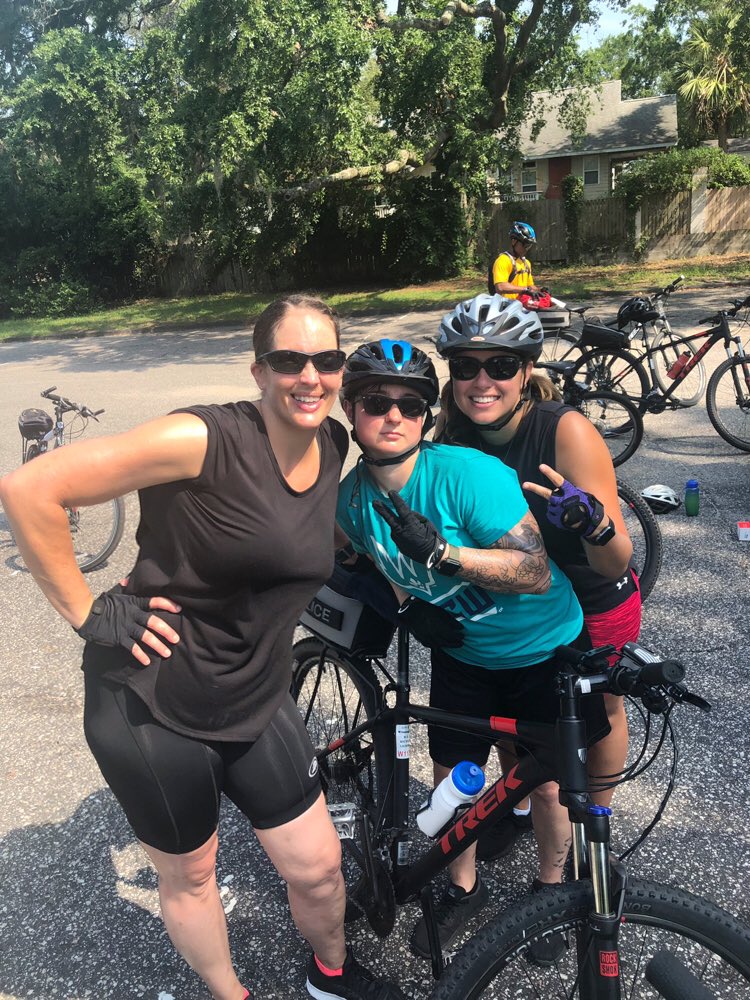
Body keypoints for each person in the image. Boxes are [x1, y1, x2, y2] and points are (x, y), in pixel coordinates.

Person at [0, 296, 406, 1000]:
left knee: (316, 866)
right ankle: (230, 994)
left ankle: (330, 978)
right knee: (191, 874)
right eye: (289, 360)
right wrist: (89, 612)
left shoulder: (334, 444)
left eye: (327, 360)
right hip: (152, 702)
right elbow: (32, 488)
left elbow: (293, 539)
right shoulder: (202, 437)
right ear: (258, 370)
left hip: (254, 694)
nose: (310, 376)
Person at [335, 339, 609, 961]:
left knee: (544, 786)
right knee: (452, 783)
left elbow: (535, 570)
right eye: (377, 402)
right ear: (351, 411)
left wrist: (443, 556)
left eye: (411, 403)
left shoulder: (469, 474)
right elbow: (362, 563)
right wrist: (407, 608)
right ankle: (463, 888)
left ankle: (548, 890)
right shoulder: (350, 501)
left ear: (428, 414)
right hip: (464, 657)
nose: (394, 415)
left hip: (544, 648)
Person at [435, 293, 641, 864]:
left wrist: (594, 526)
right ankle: (524, 806)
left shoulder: (565, 431)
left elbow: (618, 559)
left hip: (593, 591)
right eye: (466, 366)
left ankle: (592, 832)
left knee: (598, 717)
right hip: (525, 602)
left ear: (526, 371)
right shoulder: (453, 434)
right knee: (518, 721)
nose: (483, 381)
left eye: (501, 365)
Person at [488, 220, 539, 299]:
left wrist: (540, 290)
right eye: (525, 245)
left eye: (529, 245)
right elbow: (500, 287)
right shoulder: (503, 261)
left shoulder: (526, 263)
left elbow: (530, 286)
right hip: (505, 307)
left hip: (521, 307)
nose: (527, 249)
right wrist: (525, 290)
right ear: (514, 241)